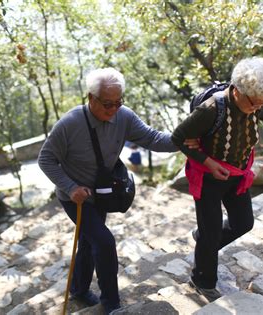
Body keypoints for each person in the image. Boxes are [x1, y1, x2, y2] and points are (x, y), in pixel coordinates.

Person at [38, 67, 199, 314]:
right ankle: (111, 303)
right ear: (91, 98)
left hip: (102, 193)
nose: (113, 110)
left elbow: (153, 139)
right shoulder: (70, 124)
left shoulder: (123, 116)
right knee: (103, 241)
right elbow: (46, 159)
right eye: (107, 104)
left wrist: (182, 140)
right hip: (77, 199)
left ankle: (79, 290)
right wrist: (70, 188)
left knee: (89, 240)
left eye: (118, 103)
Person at [171, 57, 263, 302]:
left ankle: (205, 240)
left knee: (244, 222)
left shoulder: (255, 102)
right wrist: (208, 162)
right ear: (237, 90)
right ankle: (202, 280)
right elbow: (178, 137)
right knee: (212, 231)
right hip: (209, 177)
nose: (258, 108)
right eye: (255, 103)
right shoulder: (210, 109)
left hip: (237, 175)